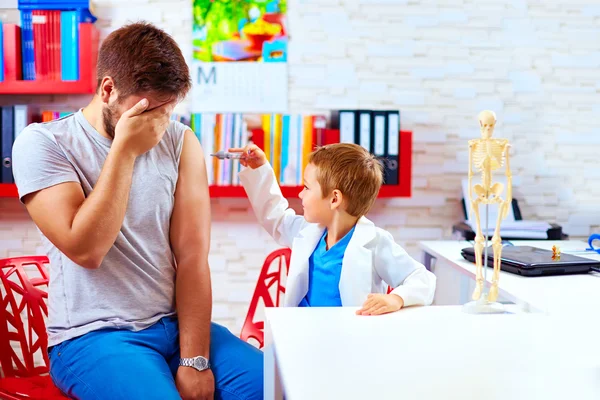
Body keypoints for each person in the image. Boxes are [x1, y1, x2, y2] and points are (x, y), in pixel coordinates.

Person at [12, 22, 262, 400]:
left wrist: (195, 361)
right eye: (151, 110)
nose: (161, 124)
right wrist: (125, 151)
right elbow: (86, 249)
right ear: (108, 90)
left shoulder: (180, 141)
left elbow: (192, 257)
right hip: (91, 337)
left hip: (174, 327)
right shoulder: (44, 144)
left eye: (169, 109)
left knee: (278, 386)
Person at [231, 143, 436, 314]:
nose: (301, 195)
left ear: (334, 199)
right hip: (301, 335)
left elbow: (422, 278)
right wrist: (259, 170)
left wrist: (397, 298)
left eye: (306, 188)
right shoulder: (309, 231)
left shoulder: (375, 242)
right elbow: (275, 216)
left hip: (342, 343)